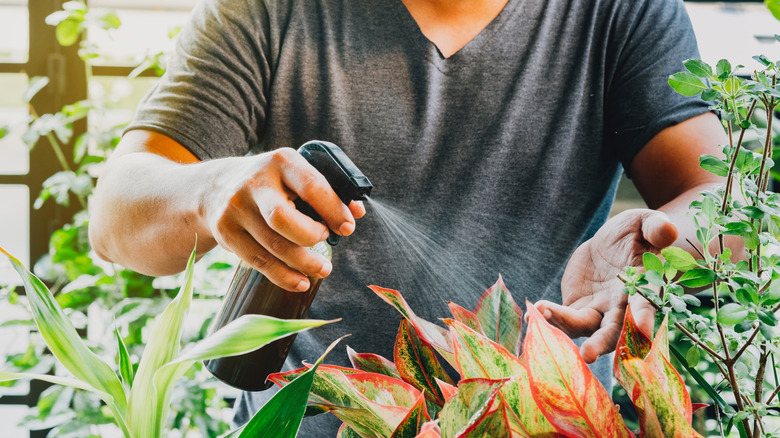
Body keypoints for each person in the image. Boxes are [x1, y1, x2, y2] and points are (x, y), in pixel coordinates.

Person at [88, 0, 727, 434]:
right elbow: (116, 218)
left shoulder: (619, 12)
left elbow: (720, 200)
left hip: (546, 418)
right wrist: (211, 189)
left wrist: (668, 248)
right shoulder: (268, 11)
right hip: (311, 425)